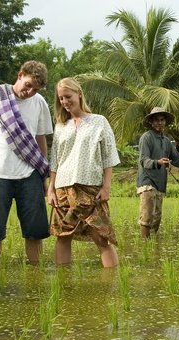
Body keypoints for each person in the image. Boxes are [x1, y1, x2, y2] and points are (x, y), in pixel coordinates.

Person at [0, 60, 52, 267]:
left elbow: (41, 140)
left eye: (36, 89)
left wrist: (44, 175)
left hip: (30, 175)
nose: (30, 92)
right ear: (20, 75)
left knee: (35, 232)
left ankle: (36, 279)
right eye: (28, 85)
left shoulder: (40, 102)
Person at [47, 77, 120, 268]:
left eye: (68, 96)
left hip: (91, 188)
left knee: (101, 237)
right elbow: (55, 159)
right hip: (63, 187)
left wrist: (106, 186)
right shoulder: (61, 125)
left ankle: (113, 282)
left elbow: (108, 156)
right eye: (61, 98)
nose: (64, 102)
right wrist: (51, 189)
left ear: (79, 94)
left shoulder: (99, 122)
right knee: (63, 237)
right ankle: (64, 285)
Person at [137, 107, 179, 239]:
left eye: (162, 120)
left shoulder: (166, 141)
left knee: (157, 217)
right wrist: (158, 162)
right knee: (147, 215)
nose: (159, 123)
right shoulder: (146, 138)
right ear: (151, 122)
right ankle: (145, 245)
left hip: (160, 183)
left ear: (165, 122)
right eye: (156, 120)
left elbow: (178, 160)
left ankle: (153, 244)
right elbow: (144, 160)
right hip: (147, 181)